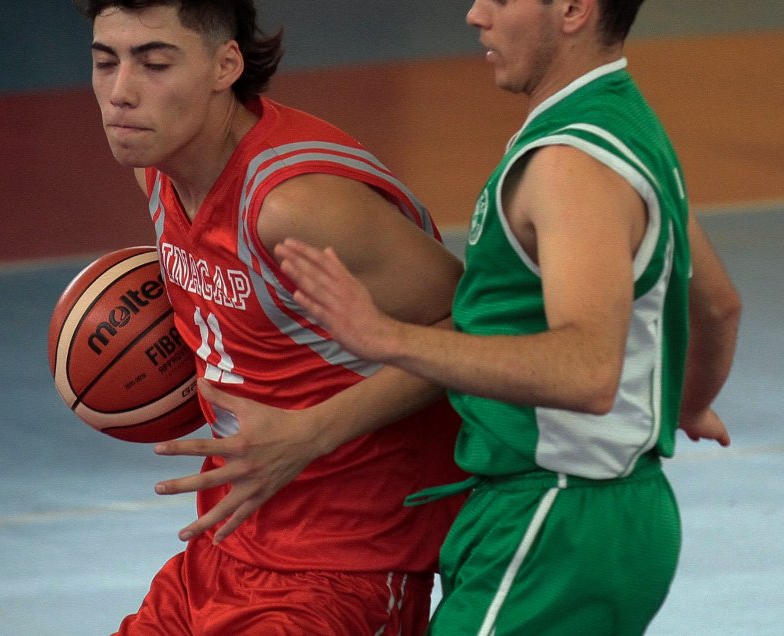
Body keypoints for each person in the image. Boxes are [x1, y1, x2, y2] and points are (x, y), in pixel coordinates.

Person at [276, 0, 743, 633]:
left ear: (574, 9)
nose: (474, 14)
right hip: (617, 515)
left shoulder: (569, 165)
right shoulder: (626, 125)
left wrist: (388, 337)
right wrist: (684, 404)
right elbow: (716, 305)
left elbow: (586, 372)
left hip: (553, 521)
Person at [73, 1, 468, 633]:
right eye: (104, 62)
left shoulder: (293, 206)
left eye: (154, 63)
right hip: (227, 544)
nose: (120, 92)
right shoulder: (158, 170)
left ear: (225, 65)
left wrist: (311, 432)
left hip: (347, 563)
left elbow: (475, 330)